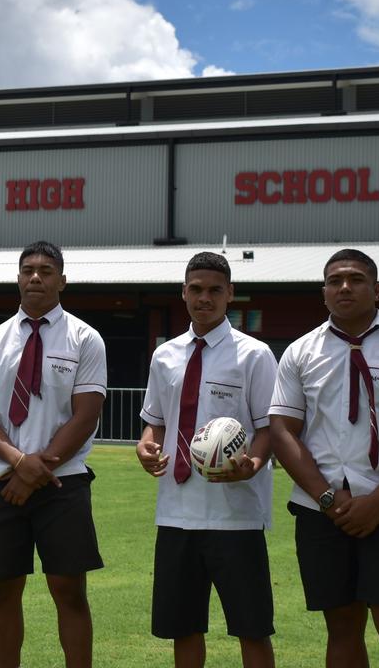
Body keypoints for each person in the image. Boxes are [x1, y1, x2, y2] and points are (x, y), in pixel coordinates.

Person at [269, 248, 379, 668]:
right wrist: (327, 498)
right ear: (324, 292)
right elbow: (282, 431)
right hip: (321, 511)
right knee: (342, 625)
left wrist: (378, 501)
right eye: (334, 280)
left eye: (356, 279)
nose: (344, 287)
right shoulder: (300, 352)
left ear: (376, 289)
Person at [0, 240, 107, 668]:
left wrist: (36, 467)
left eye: (46, 271)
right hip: (0, 481)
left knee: (69, 590)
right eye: (28, 269)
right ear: (17, 279)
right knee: (3, 590)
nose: (35, 277)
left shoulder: (85, 338)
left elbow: (86, 415)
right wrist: (17, 461)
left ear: (62, 281)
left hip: (63, 482)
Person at [134, 251, 277, 668]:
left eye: (215, 290)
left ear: (230, 294)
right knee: (184, 629)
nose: (204, 298)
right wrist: (146, 445)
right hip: (177, 513)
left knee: (252, 628)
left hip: (236, 514)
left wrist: (252, 463)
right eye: (196, 289)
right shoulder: (166, 356)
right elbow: (155, 422)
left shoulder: (254, 355)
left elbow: (268, 428)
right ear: (183, 293)